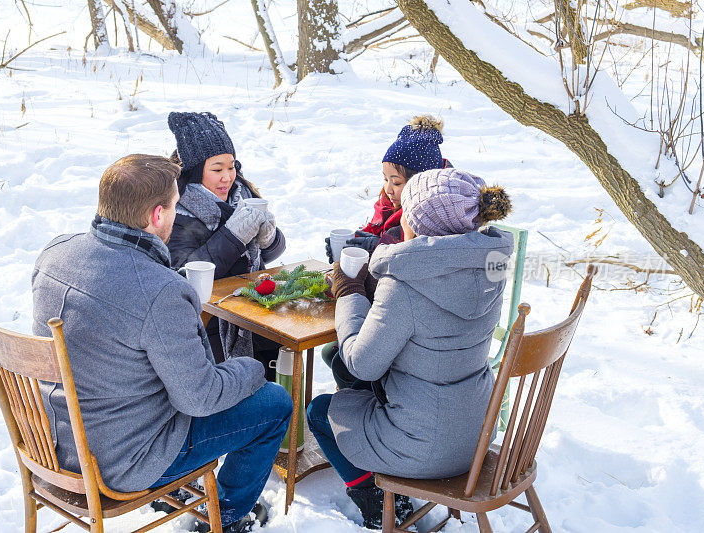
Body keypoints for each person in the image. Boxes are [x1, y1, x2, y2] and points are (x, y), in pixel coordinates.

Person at [32, 154, 291, 532]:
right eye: (174, 206)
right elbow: (199, 398)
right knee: (273, 404)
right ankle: (228, 517)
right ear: (157, 215)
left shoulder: (55, 252)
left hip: (50, 444)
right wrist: (250, 368)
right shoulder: (160, 289)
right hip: (122, 463)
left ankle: (196, 496)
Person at [307, 168, 514, 529]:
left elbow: (361, 364)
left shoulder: (404, 280)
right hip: (477, 434)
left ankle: (376, 502)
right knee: (361, 386)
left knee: (321, 410)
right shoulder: (492, 266)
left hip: (423, 447)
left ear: (415, 224)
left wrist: (350, 293)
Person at [322, 114, 453, 390]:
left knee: (343, 362)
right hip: (387, 311)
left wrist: (371, 255)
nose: (388, 189)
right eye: (385, 179)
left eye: (396, 181)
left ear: (420, 184)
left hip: (413, 334)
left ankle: (366, 408)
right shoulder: (389, 207)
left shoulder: (432, 218)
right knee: (331, 352)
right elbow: (378, 237)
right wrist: (358, 245)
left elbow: (402, 271)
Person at [167, 111, 285, 379]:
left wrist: (270, 239)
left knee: (284, 354)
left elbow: (270, 253)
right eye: (217, 169)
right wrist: (234, 235)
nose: (227, 177)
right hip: (209, 319)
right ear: (196, 171)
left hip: (254, 304)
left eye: (231, 167)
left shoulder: (242, 192)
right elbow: (186, 272)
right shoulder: (177, 208)